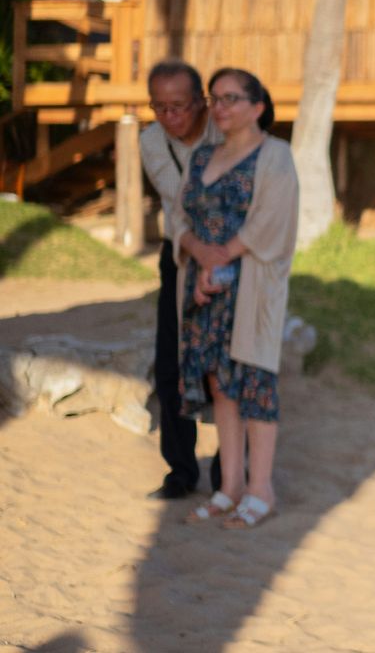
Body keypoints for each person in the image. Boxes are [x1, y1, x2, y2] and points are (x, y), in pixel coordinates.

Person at [175, 68, 297, 530]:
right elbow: (178, 215)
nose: (220, 107)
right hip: (204, 289)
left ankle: (261, 489)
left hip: (249, 289)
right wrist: (198, 254)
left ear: (257, 107)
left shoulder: (275, 155)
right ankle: (230, 488)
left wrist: (220, 259)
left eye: (230, 98)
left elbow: (273, 221)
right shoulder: (201, 156)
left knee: (254, 387)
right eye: (215, 99)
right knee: (220, 386)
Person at [137, 60, 223, 500]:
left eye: (179, 107)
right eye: (160, 108)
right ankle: (181, 470)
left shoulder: (226, 131)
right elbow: (183, 195)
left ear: (201, 103)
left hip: (230, 258)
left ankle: (231, 472)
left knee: (228, 365)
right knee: (171, 362)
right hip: (181, 257)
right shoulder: (152, 141)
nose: (170, 118)